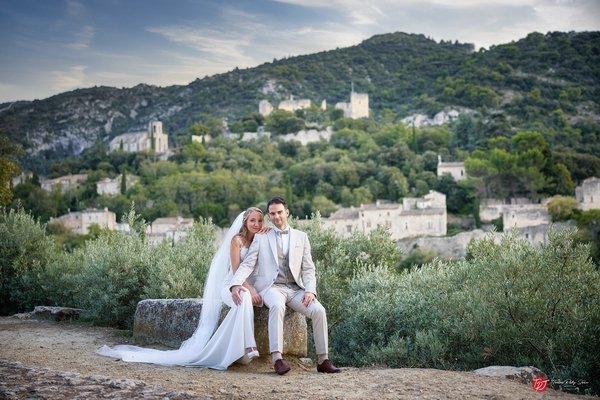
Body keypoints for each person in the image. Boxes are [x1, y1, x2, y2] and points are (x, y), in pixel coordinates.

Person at [96, 207, 265, 370]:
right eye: (252, 220)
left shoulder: (261, 239)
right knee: (244, 297)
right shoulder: (237, 241)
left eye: (260, 220)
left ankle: (239, 350)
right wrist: (247, 289)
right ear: (245, 222)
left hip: (247, 286)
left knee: (245, 300)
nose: (256, 224)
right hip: (232, 284)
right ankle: (249, 346)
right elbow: (236, 272)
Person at [230, 196, 341, 375]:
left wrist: (310, 290)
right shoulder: (261, 237)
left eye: (279, 212)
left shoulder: (302, 237)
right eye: (272, 214)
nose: (276, 216)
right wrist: (236, 284)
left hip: (296, 289)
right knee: (277, 305)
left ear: (287, 212)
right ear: (269, 216)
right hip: (271, 288)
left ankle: (323, 360)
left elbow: (308, 269)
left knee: (319, 310)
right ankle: (277, 358)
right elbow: (248, 264)